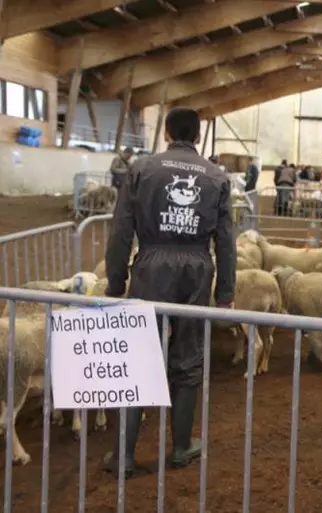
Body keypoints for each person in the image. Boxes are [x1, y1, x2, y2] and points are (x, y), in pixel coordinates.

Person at [103, 107, 236, 478]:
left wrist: (116, 282)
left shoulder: (141, 169)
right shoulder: (217, 177)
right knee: (189, 356)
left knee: (139, 356)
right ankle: (181, 447)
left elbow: (120, 230)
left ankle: (124, 456)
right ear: (197, 137)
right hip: (196, 268)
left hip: (150, 264)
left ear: (166, 133)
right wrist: (225, 292)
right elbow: (226, 241)